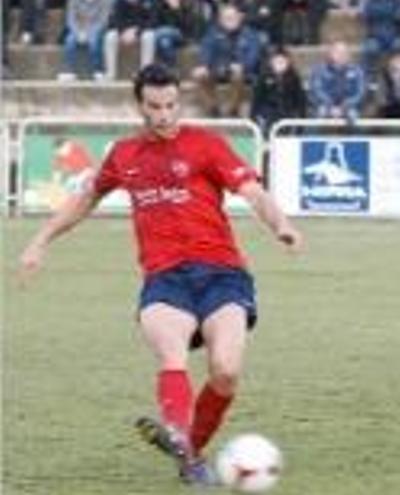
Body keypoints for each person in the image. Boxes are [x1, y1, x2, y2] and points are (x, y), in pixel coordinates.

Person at [17, 63, 305, 486]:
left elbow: (253, 192)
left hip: (222, 274)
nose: (166, 115)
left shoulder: (206, 145)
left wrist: (281, 224)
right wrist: (39, 241)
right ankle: (181, 440)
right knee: (172, 357)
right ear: (140, 106)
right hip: (165, 280)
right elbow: (84, 200)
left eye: (172, 105)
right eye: (155, 107)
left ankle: (190, 447)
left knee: (225, 371)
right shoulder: (124, 155)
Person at [192, 3, 264, 117]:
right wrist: (203, 65)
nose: (229, 20)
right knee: (198, 75)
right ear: (220, 19)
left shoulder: (250, 34)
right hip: (218, 69)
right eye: (226, 18)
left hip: (242, 73)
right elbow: (206, 50)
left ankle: (233, 111)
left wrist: (243, 66)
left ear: (239, 17)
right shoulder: (213, 33)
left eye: (232, 17)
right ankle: (213, 109)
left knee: (238, 74)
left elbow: (253, 57)